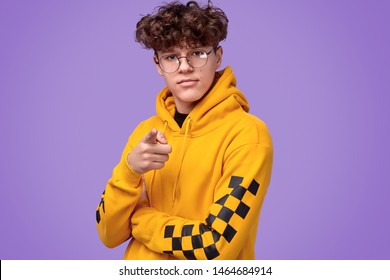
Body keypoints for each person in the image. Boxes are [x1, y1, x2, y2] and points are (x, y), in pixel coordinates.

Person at [96, 0, 273, 260]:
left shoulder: (248, 135)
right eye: (171, 57)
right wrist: (129, 171)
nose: (184, 67)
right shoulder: (145, 133)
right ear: (158, 65)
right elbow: (109, 235)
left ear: (218, 56)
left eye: (198, 53)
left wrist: (141, 220)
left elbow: (213, 248)